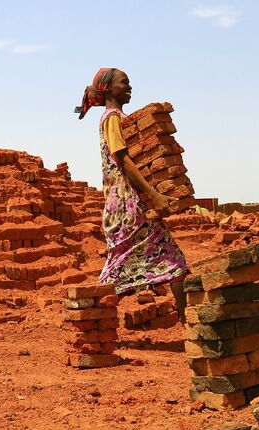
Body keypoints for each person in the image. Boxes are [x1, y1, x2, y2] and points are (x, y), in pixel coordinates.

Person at [77, 68, 189, 320]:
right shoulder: (112, 118)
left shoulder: (115, 117)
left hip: (123, 206)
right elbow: (123, 160)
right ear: (108, 88)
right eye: (124, 83)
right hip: (128, 206)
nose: (129, 87)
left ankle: (90, 313)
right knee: (172, 263)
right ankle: (88, 314)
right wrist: (154, 195)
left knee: (158, 263)